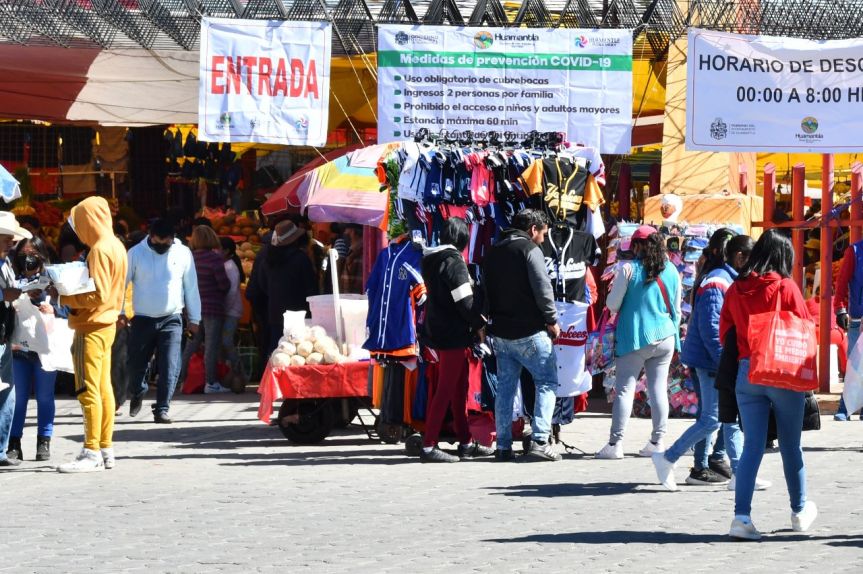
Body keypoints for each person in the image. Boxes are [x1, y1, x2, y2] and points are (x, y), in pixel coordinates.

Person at [719, 229, 817, 540]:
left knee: (751, 447)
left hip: (746, 373)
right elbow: (804, 329)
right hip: (781, 373)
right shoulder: (785, 287)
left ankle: (741, 518)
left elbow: (725, 334)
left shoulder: (735, 289)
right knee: (790, 445)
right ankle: (800, 511)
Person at [652, 231, 767, 490]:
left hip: (714, 360)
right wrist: (726, 364)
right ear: (739, 257)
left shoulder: (725, 279)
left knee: (726, 418)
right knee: (713, 419)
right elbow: (711, 329)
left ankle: (736, 473)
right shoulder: (718, 282)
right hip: (710, 362)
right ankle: (669, 457)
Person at [54, 197, 128, 473]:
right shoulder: (116, 246)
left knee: (88, 390)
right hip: (106, 324)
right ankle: (105, 447)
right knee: (104, 389)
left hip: (91, 325)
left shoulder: (99, 250)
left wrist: (66, 296)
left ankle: (91, 450)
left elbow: (97, 295)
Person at [483, 209, 561, 462]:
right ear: (532, 229)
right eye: (542, 234)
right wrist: (552, 319)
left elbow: (484, 290)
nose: (543, 240)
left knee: (505, 389)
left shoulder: (493, 252)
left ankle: (503, 446)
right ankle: (539, 440)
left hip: (501, 333)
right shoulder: (530, 250)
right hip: (530, 330)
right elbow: (542, 287)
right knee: (546, 382)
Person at [596, 224, 680, 460]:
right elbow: (676, 306)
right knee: (658, 389)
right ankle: (657, 441)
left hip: (634, 337)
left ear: (639, 245)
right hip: (665, 336)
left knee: (624, 389)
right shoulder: (672, 270)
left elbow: (612, 305)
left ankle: (615, 444)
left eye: (633, 244)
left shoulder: (628, 270)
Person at [418, 217, 492, 463]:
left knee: (458, 389)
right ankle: (428, 446)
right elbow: (465, 302)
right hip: (453, 334)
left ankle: (466, 442)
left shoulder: (432, 259)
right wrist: (479, 323)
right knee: (447, 389)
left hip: (439, 330)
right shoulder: (454, 263)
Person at [125, 219, 201, 421]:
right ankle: (138, 390)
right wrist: (119, 313)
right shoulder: (135, 253)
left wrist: (195, 319)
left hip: (172, 318)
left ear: (173, 239)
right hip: (142, 319)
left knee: (170, 366)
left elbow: (191, 287)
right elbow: (121, 285)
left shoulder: (183, 253)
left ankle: (162, 409)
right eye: (157, 243)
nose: (161, 247)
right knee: (134, 366)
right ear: (150, 236)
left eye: (165, 244)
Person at [6, 237, 65, 462]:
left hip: (46, 348)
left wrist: (55, 309)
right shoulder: (12, 278)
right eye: (23, 255)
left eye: (32, 254)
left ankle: (44, 441)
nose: (28, 259)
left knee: (45, 396)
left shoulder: (53, 280)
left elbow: (68, 309)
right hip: (19, 346)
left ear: (41, 256)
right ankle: (14, 442)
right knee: (18, 398)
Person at [245, 219, 318, 355]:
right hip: (299, 314)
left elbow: (263, 285)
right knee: (298, 353)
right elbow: (311, 288)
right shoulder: (301, 259)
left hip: (275, 312)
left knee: (277, 352)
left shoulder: (268, 259)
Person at [179, 225, 230, 394]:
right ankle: (211, 382)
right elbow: (224, 285)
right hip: (212, 309)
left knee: (190, 344)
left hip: (191, 312)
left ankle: (180, 380)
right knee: (211, 346)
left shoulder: (188, 258)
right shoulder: (215, 259)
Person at [0, 213, 31, 468]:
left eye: (11, 239)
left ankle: (1, 449)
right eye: (6, 239)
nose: (10, 244)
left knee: (7, 394)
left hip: (4, 335)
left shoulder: (6, 263)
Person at [833, 236, 863, 420]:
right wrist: (840, 309)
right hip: (858, 319)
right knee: (854, 364)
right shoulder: (855, 251)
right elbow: (842, 282)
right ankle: (845, 407)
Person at [219, 236, 246, 393]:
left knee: (227, 341)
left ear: (227, 251)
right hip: (229, 310)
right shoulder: (228, 265)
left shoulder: (229, 267)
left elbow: (230, 292)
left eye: (219, 249)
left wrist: (224, 310)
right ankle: (231, 374)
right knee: (224, 343)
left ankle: (238, 371)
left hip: (231, 311)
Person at [340, 224, 364, 294]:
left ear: (352, 232)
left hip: (353, 301)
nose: (344, 233)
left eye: (346, 230)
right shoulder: (355, 251)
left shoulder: (358, 252)